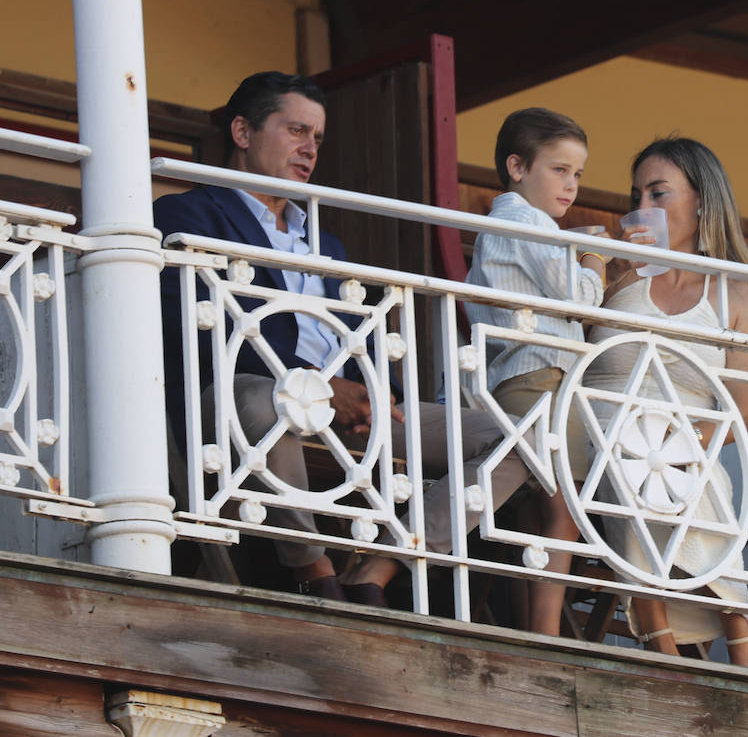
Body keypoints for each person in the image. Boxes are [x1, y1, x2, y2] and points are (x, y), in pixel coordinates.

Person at [156, 71, 528, 605]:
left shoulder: (325, 241)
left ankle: (381, 566)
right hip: (244, 400)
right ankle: (312, 567)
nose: (310, 150)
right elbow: (191, 325)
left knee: (518, 438)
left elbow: (364, 330)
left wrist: (379, 392)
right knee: (271, 399)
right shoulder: (186, 213)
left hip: (350, 411)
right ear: (242, 131)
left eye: (318, 139)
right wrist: (319, 389)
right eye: (296, 131)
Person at [580, 137, 748, 669]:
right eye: (636, 194)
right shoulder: (617, 277)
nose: (643, 207)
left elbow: (740, 414)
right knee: (629, 448)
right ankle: (734, 630)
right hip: (602, 432)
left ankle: (668, 632)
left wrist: (680, 447)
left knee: (659, 459)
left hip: (691, 450)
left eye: (658, 193)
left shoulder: (740, 294)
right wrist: (608, 266)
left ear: (703, 202)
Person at [464, 108, 606, 637]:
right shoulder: (525, 221)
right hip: (540, 377)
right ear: (517, 167)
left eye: (578, 174)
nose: (570, 185)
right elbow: (579, 299)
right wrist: (594, 258)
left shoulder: (513, 224)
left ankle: (531, 627)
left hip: (524, 379)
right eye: (559, 170)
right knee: (562, 512)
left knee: (534, 511)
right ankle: (545, 636)